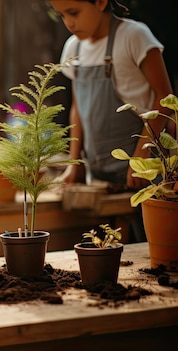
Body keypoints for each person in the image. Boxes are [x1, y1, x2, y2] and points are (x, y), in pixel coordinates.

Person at [49, 0, 174, 242]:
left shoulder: (134, 36)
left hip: (145, 172)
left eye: (73, 12)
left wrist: (139, 159)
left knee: (153, 246)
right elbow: (78, 108)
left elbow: (165, 98)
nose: (69, 22)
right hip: (101, 178)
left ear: (101, 2)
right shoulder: (73, 48)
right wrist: (75, 164)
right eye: (62, 15)